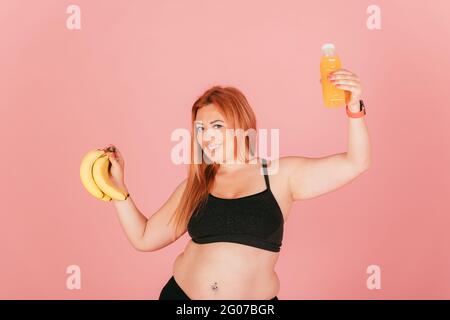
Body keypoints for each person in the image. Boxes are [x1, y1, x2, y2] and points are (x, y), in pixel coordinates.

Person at [104, 71, 371, 300]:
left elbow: (355, 163)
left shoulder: (280, 175)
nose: (207, 136)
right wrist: (117, 189)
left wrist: (354, 107)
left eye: (216, 125)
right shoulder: (195, 187)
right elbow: (144, 237)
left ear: (241, 125)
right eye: (200, 129)